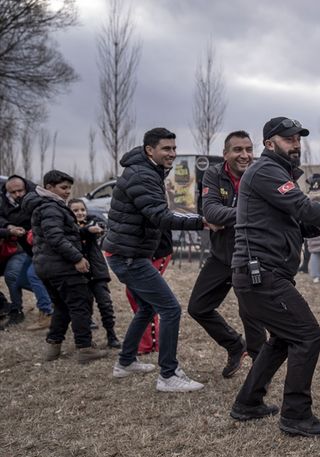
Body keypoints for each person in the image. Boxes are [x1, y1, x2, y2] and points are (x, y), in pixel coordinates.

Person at [227, 116, 320, 435]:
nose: (296, 144)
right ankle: (295, 415)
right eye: (288, 139)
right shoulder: (266, 170)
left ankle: (248, 402)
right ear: (270, 144)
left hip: (263, 274)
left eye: (298, 139)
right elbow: (302, 207)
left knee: (284, 337)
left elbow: (298, 222)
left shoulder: (278, 174)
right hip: (261, 274)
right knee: (306, 335)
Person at [104, 127, 209, 393]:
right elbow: (160, 216)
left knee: (147, 309)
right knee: (170, 309)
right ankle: (168, 375)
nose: (172, 153)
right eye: (166, 148)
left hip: (127, 254)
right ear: (150, 150)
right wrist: (202, 222)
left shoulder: (147, 170)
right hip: (129, 257)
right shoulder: (143, 174)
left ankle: (125, 362)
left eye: (174, 148)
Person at [187, 130, 267, 378]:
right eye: (238, 150)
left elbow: (269, 212)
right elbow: (211, 213)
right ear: (225, 154)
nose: (245, 155)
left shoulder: (261, 173)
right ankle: (234, 345)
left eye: (249, 149)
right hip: (221, 256)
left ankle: (260, 375)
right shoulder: (214, 174)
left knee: (251, 315)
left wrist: (228, 215)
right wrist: (250, 212)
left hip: (251, 257)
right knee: (198, 307)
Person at [23, 171, 108, 364]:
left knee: (62, 306)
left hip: (47, 267)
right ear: (49, 187)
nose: (68, 191)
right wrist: (77, 258)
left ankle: (53, 347)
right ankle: (85, 348)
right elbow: (55, 238)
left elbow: (62, 233)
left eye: (69, 188)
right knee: (80, 304)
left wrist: (85, 231)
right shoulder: (50, 207)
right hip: (62, 267)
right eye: (63, 188)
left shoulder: (45, 205)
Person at [0, 175, 53, 328]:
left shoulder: (37, 196)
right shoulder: (4, 200)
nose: (17, 194)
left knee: (32, 276)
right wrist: (9, 227)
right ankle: (54, 298)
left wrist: (31, 230)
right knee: (20, 280)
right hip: (28, 248)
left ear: (25, 187)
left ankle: (47, 312)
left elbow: (46, 219)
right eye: (13, 192)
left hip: (41, 247)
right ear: (7, 191)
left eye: (20, 191)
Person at [68, 198, 119, 349]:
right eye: (75, 210)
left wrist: (97, 227)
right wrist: (87, 231)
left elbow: (101, 226)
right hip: (79, 273)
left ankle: (111, 335)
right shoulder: (67, 227)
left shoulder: (93, 222)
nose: (80, 213)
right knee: (84, 306)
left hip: (97, 271)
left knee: (105, 304)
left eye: (82, 209)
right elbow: (76, 234)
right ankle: (87, 340)